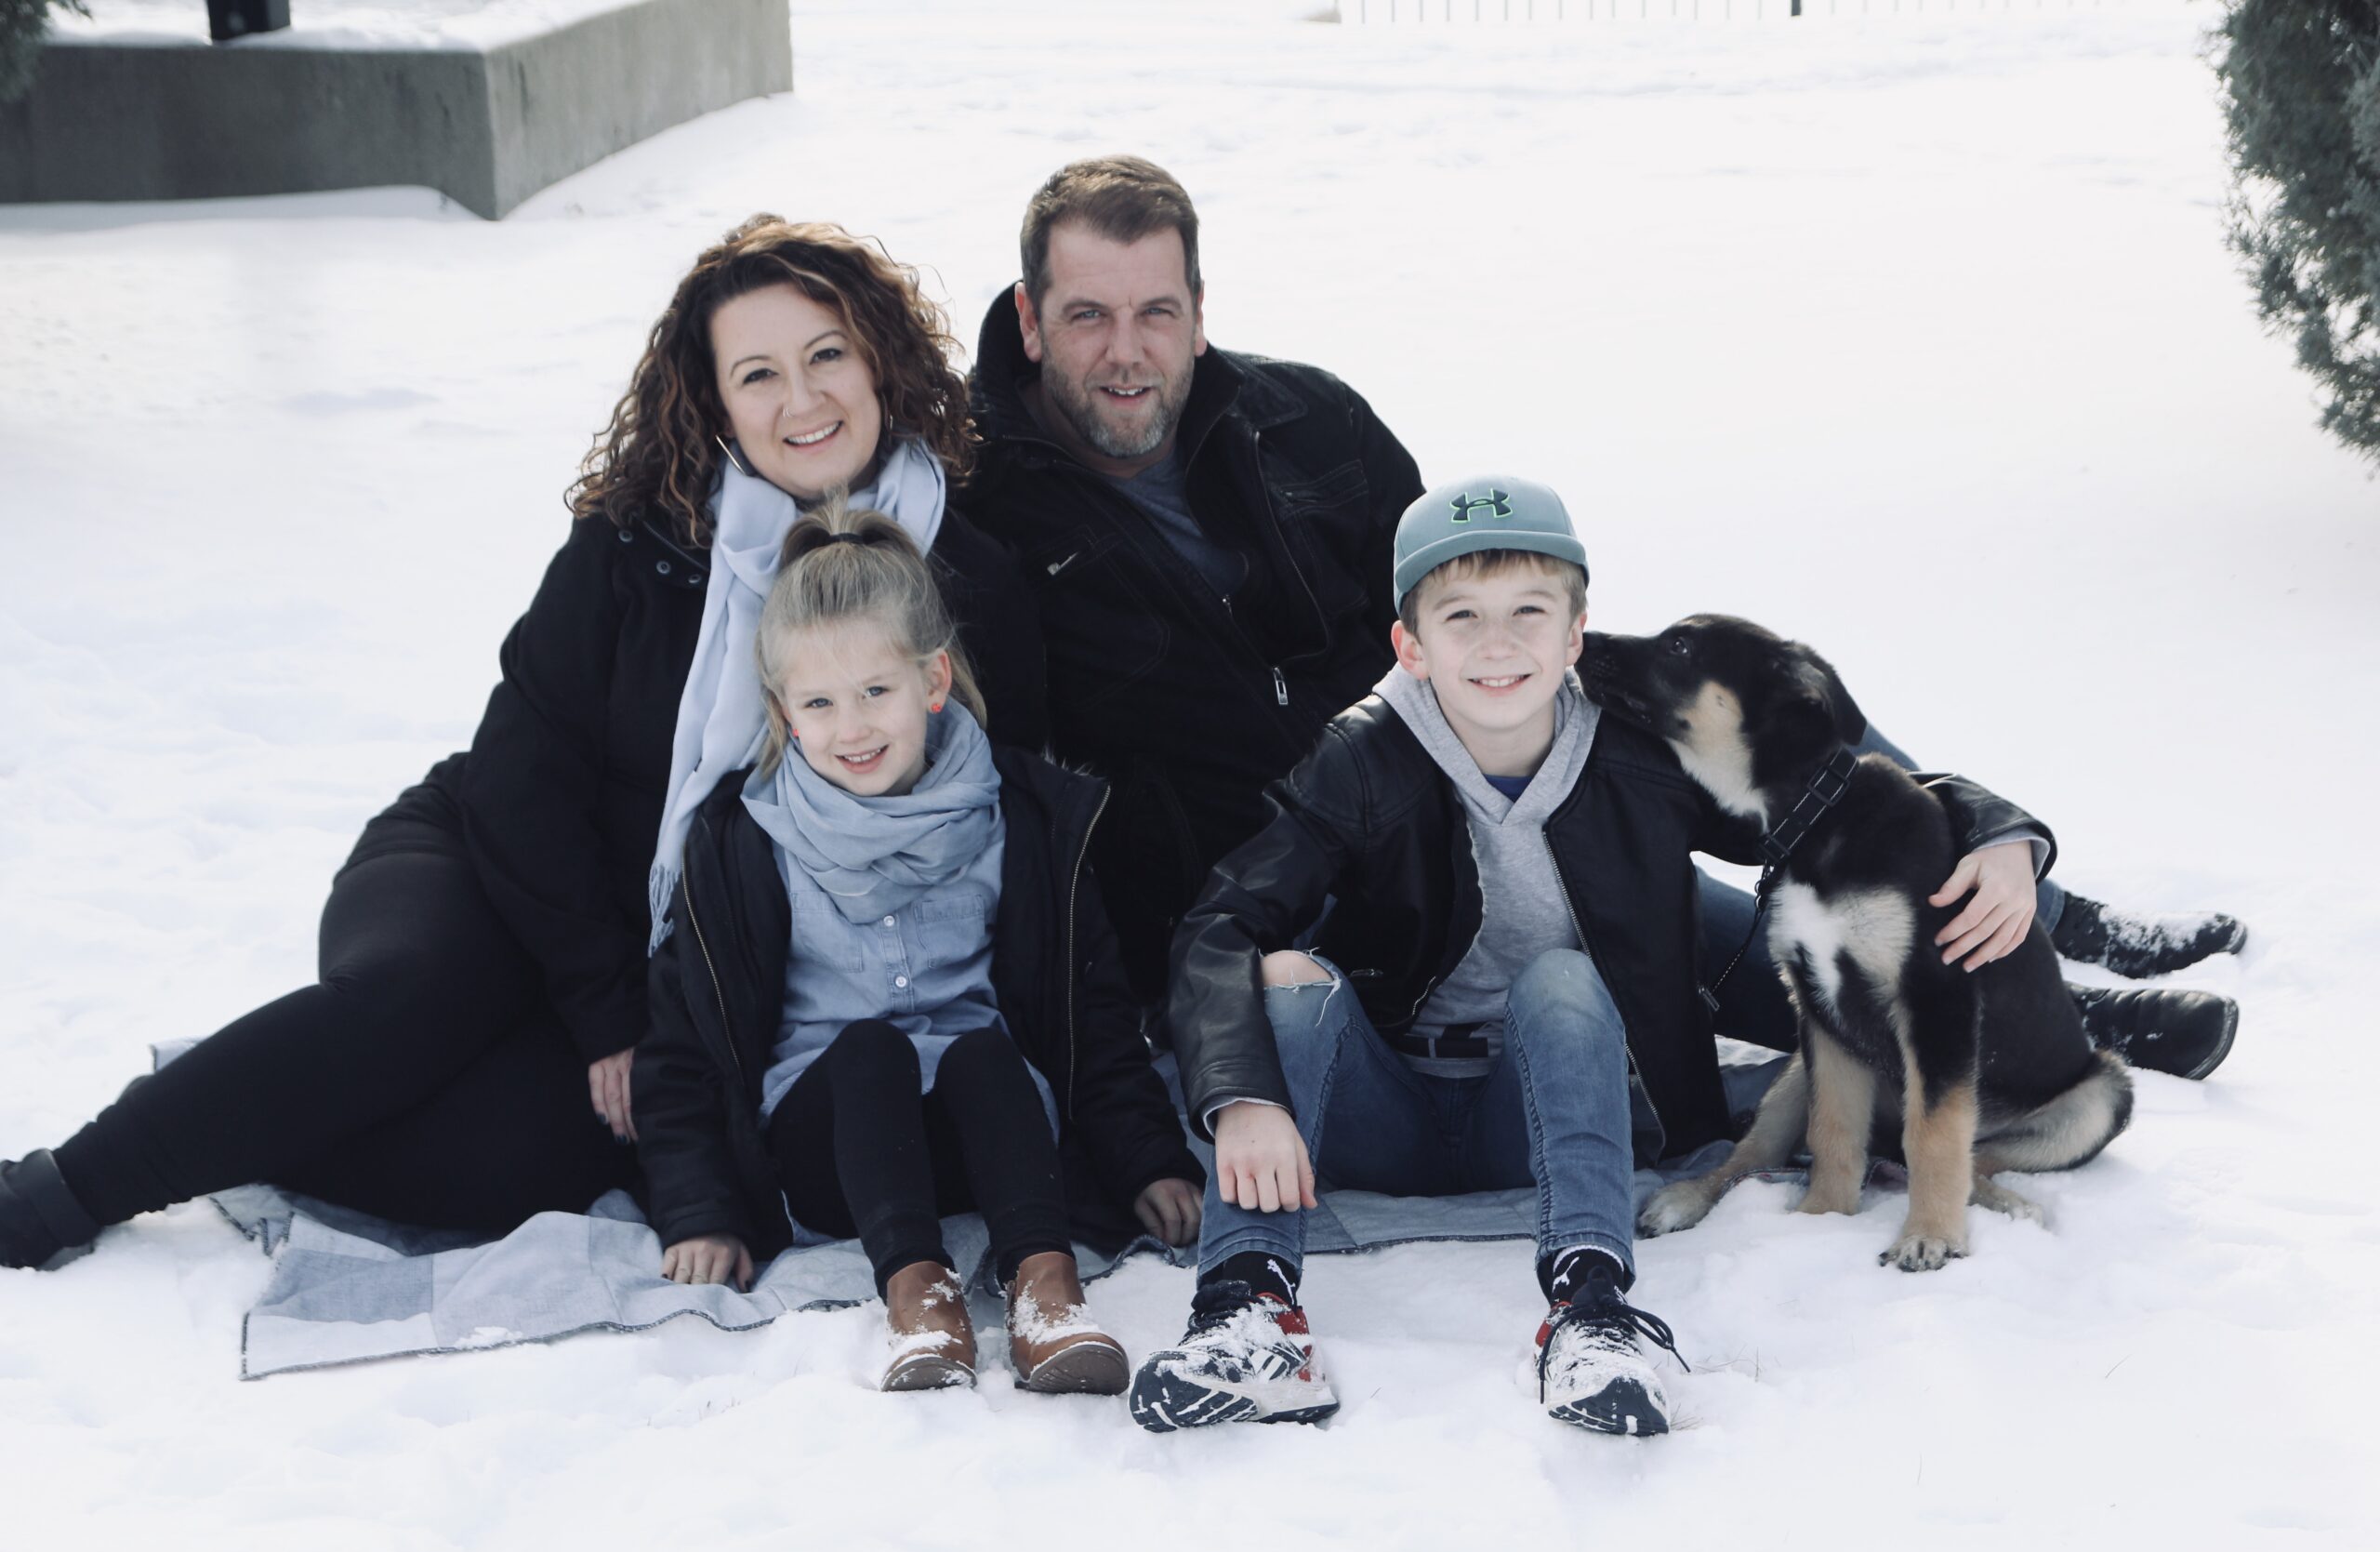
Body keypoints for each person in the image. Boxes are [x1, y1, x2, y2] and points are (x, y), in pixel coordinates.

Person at [959, 153, 2243, 1078]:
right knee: (1710, 932)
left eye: (1155, 312)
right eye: (1087, 317)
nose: (1126, 351)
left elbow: (1460, 584)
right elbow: (1025, 778)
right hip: (1337, 864)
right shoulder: (997, 521)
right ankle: (2050, 1018)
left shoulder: (1301, 418)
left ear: (1197, 312)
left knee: (1740, 698)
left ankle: (2038, 901)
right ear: (1031, 320)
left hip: (1482, 745)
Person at [1, 217, 1046, 1272]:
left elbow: (1000, 815)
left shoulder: (960, 576)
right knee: (408, 1008)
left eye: (827, 355)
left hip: (689, 971)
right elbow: (518, 773)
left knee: (514, 1163)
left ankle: (245, 1109)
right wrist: (608, 1011)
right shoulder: (644, 542)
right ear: (718, 403)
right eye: (758, 374)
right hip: (494, 862)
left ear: (879, 360)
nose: (803, 399)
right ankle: (63, 1189)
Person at [1130, 477, 2056, 1437]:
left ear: (1574, 635)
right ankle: (1245, 1311)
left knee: (1563, 978)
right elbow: (1219, 924)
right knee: (1283, 977)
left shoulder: (1636, 756)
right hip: (1389, 1106)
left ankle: (1593, 1309)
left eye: (1530, 613)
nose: (1498, 646)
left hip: (1544, 1107)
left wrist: (1998, 829)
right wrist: (1244, 1098)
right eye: (1462, 617)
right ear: (1410, 645)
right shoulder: (1364, 759)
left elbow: (1838, 795)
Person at [632, 501, 1201, 1394]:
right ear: (783, 708)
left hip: (994, 1132)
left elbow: (1091, 1011)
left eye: (875, 692)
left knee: (980, 1050)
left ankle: (1046, 1289)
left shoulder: (1019, 817)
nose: (851, 727)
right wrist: (701, 1212)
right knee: (869, 1052)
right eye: (818, 702)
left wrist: (1147, 1160)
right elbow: (683, 1052)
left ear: (932, 680)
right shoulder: (743, 842)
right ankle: (918, 1296)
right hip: (833, 1149)